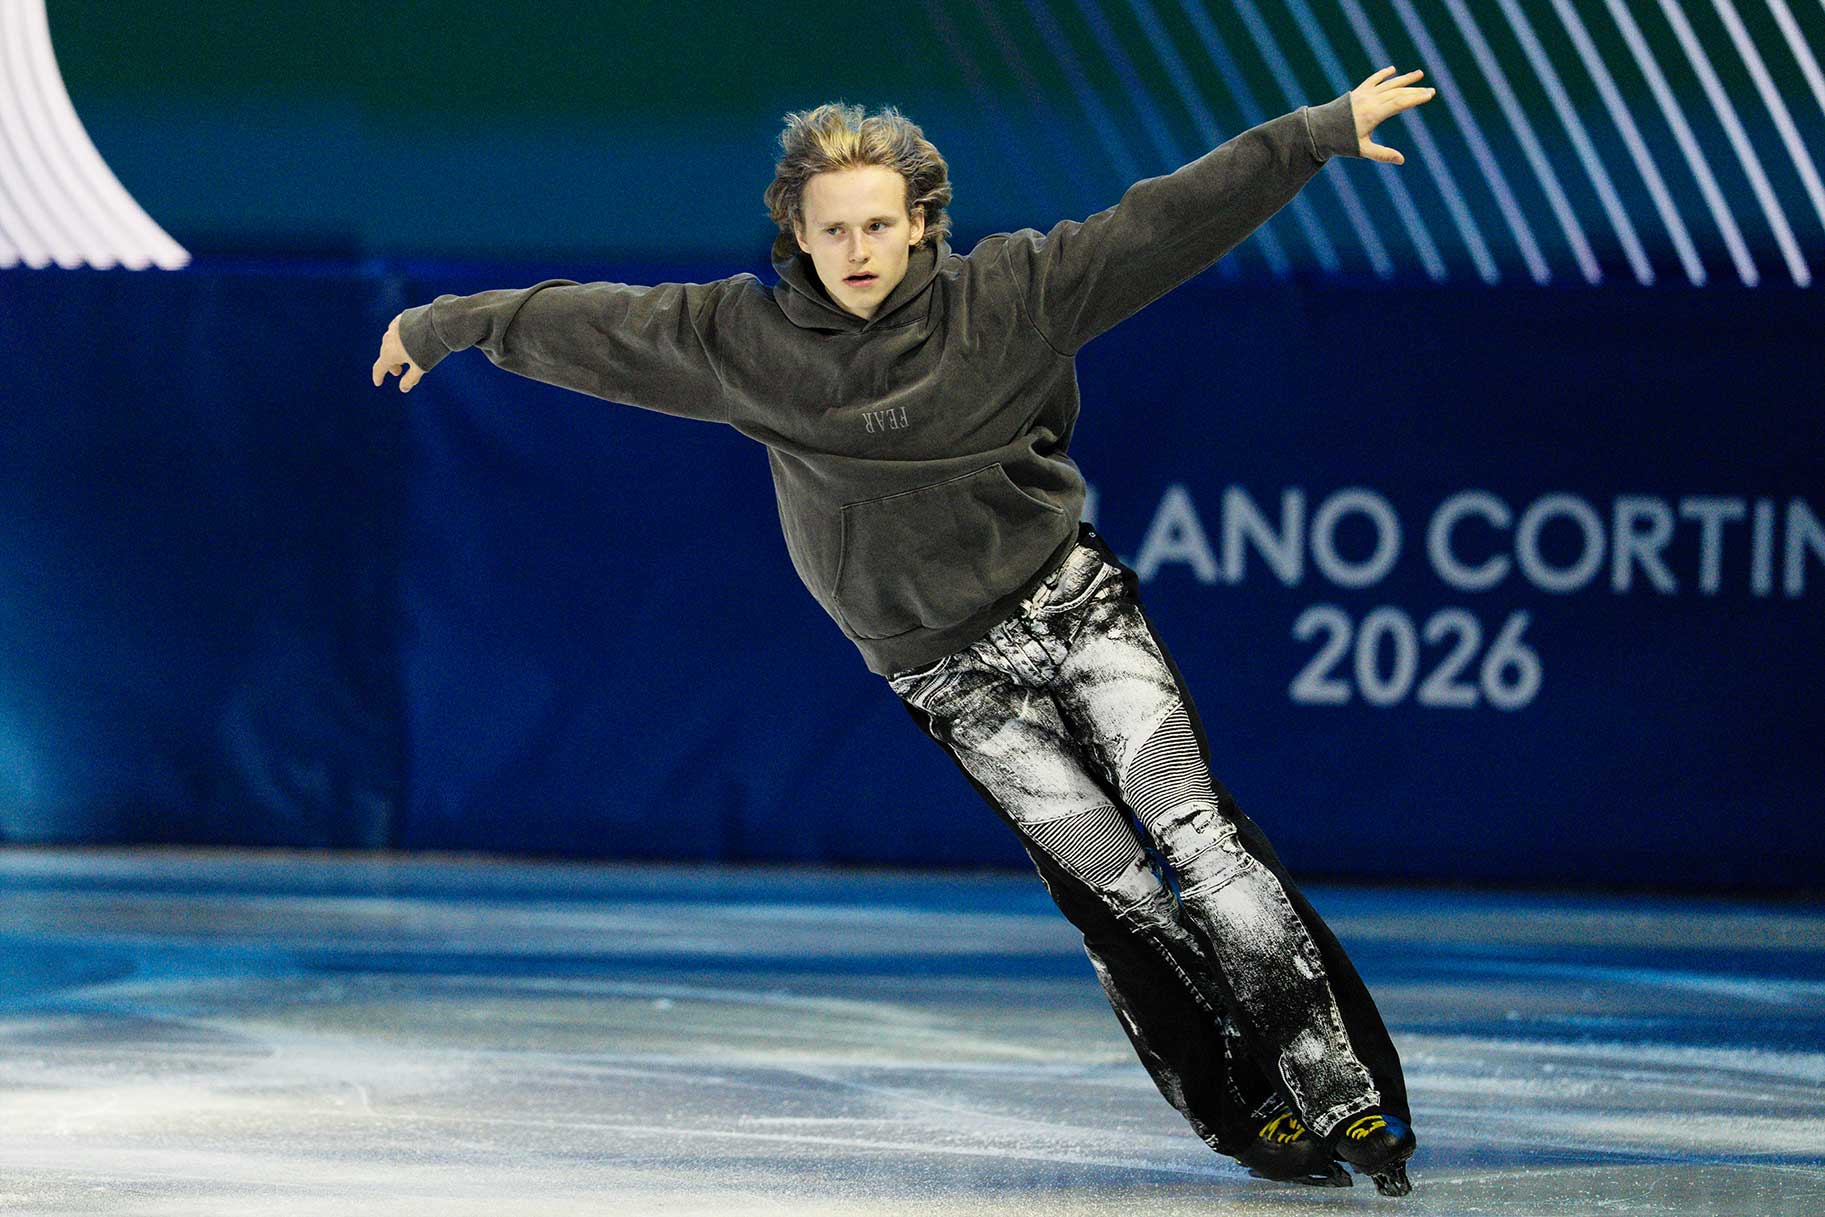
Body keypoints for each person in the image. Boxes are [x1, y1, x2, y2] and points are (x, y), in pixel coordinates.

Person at [373, 66, 1437, 1194]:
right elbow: (600, 325)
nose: (859, 247)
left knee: (1203, 843)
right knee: (1116, 890)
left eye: (880, 222)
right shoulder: (746, 341)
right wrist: (447, 324)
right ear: (798, 232)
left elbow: (1162, 221)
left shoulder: (1014, 294)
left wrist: (1315, 134)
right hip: (948, 677)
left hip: (1074, 611)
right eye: (833, 228)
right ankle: (1248, 1109)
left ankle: (1352, 1097)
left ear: (923, 219)